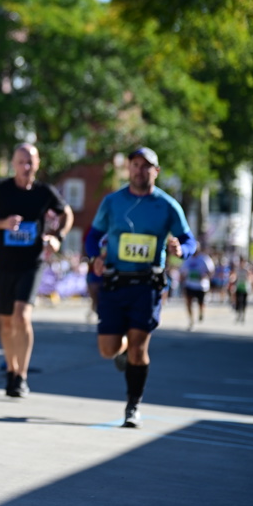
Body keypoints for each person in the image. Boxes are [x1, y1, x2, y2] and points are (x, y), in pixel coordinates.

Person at [85, 147, 196, 428]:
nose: (139, 170)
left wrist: (180, 249)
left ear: (156, 172)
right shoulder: (113, 201)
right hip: (115, 282)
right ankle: (121, 349)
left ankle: (133, 405)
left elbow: (189, 240)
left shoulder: (167, 205)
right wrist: (95, 257)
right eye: (135, 165)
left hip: (147, 285)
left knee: (139, 349)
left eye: (146, 166)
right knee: (107, 350)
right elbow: (93, 236)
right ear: (129, 169)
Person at [0, 143, 73, 398]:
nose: (26, 167)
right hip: (3, 264)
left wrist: (58, 237)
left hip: (31, 263)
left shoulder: (44, 192)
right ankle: (11, 368)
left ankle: (22, 376)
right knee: (6, 323)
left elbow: (67, 214)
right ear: (13, 164)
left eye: (30, 162)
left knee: (22, 317)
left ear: (37, 164)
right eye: (21, 162)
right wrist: (3, 223)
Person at [180, 243, 214, 330]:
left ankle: (201, 312)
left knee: (201, 303)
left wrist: (205, 276)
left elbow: (211, 271)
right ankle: (191, 321)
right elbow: (182, 271)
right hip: (189, 284)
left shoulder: (204, 258)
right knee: (188, 303)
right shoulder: (188, 259)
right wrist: (182, 280)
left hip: (201, 286)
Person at [230, 256, 253, 324]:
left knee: (244, 302)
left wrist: (250, 280)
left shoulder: (247, 269)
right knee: (238, 301)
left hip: (245, 288)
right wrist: (232, 279)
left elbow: (251, 277)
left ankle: (243, 315)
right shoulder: (237, 269)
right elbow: (234, 276)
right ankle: (238, 315)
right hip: (238, 287)